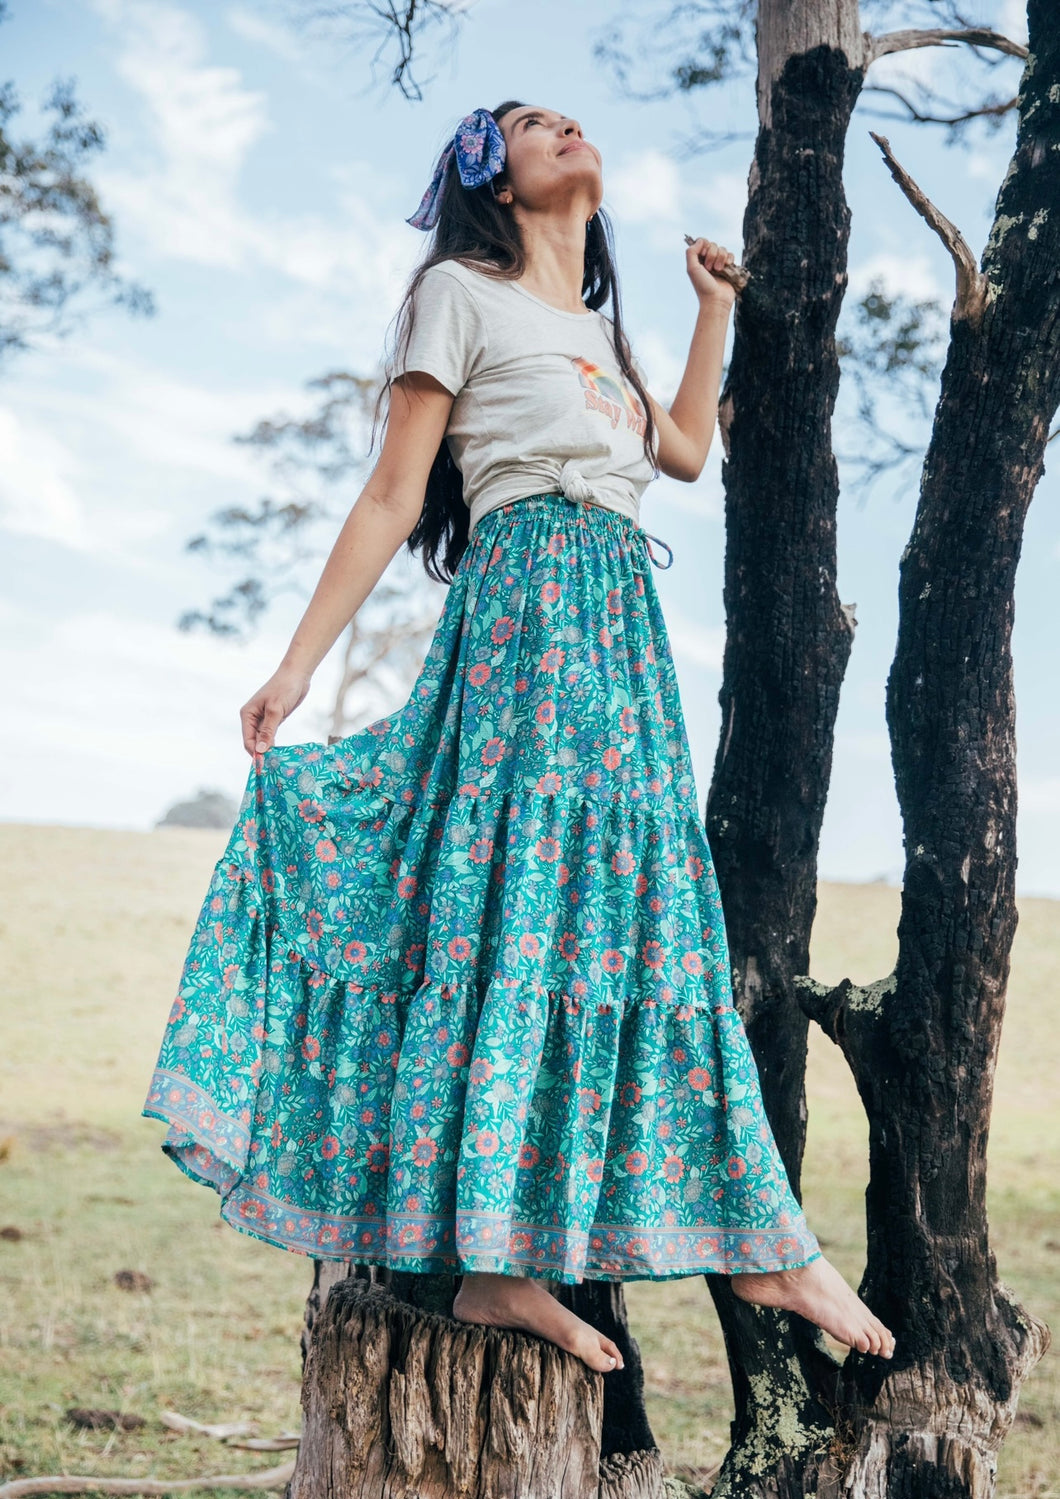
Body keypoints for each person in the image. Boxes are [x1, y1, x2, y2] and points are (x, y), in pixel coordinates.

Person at [144, 101, 896, 1377]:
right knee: (534, 914)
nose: (562, 126)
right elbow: (394, 490)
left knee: (636, 923)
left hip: (622, 648)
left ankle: (521, 1260)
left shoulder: (598, 327)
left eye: (568, 116)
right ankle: (682, 1249)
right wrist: (294, 663)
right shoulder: (458, 294)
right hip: (528, 625)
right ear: (493, 179)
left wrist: (712, 309)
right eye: (528, 123)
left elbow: (684, 451)